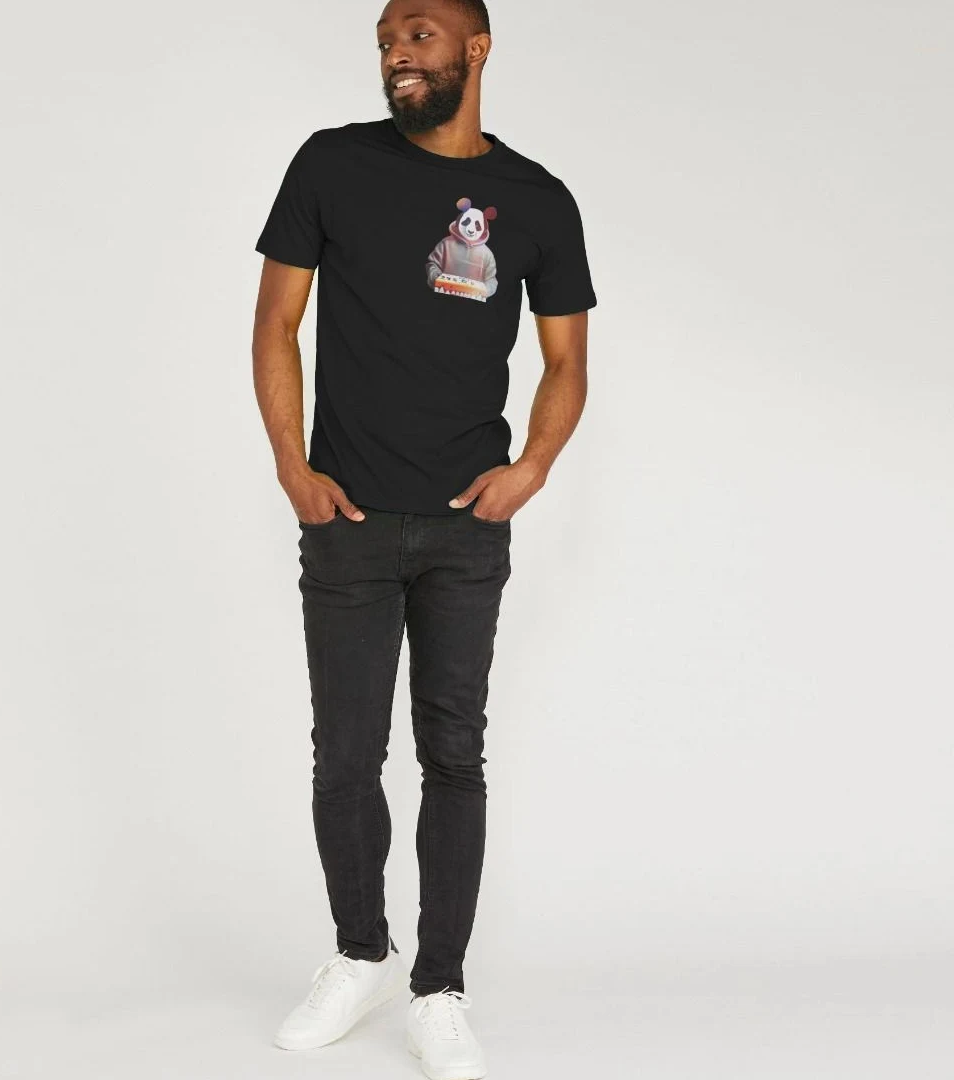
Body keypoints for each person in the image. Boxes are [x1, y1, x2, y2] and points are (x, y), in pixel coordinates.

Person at [251, 0, 596, 1075]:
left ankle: (439, 986)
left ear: (475, 49)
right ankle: (360, 953)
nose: (396, 52)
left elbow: (567, 362)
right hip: (346, 523)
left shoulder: (537, 199)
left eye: (418, 35)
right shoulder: (330, 164)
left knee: (454, 755)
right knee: (347, 757)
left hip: (464, 530)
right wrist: (293, 465)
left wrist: (532, 468)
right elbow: (275, 324)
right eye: (386, 41)